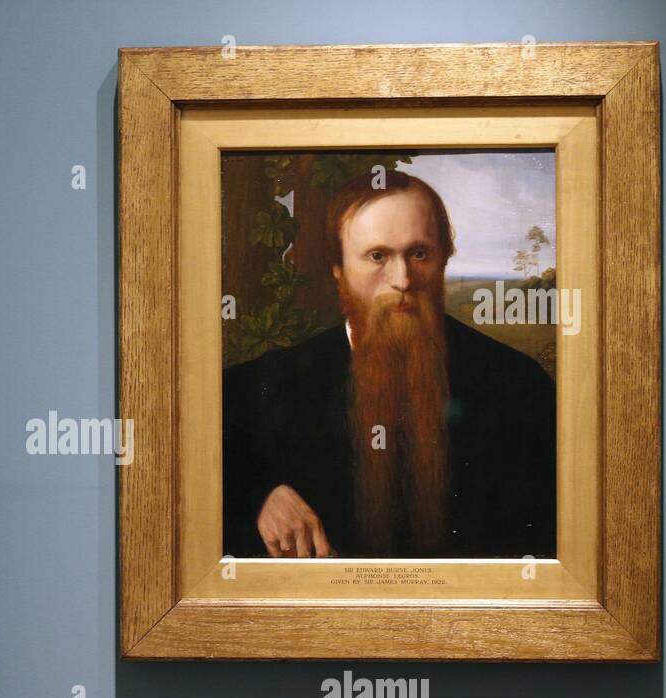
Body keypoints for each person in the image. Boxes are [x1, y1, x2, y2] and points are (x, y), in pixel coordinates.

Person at [223, 171, 556, 560]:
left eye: (419, 254)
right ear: (338, 271)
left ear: (443, 259)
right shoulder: (260, 385)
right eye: (377, 256)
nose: (402, 280)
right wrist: (259, 496)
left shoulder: (518, 384)